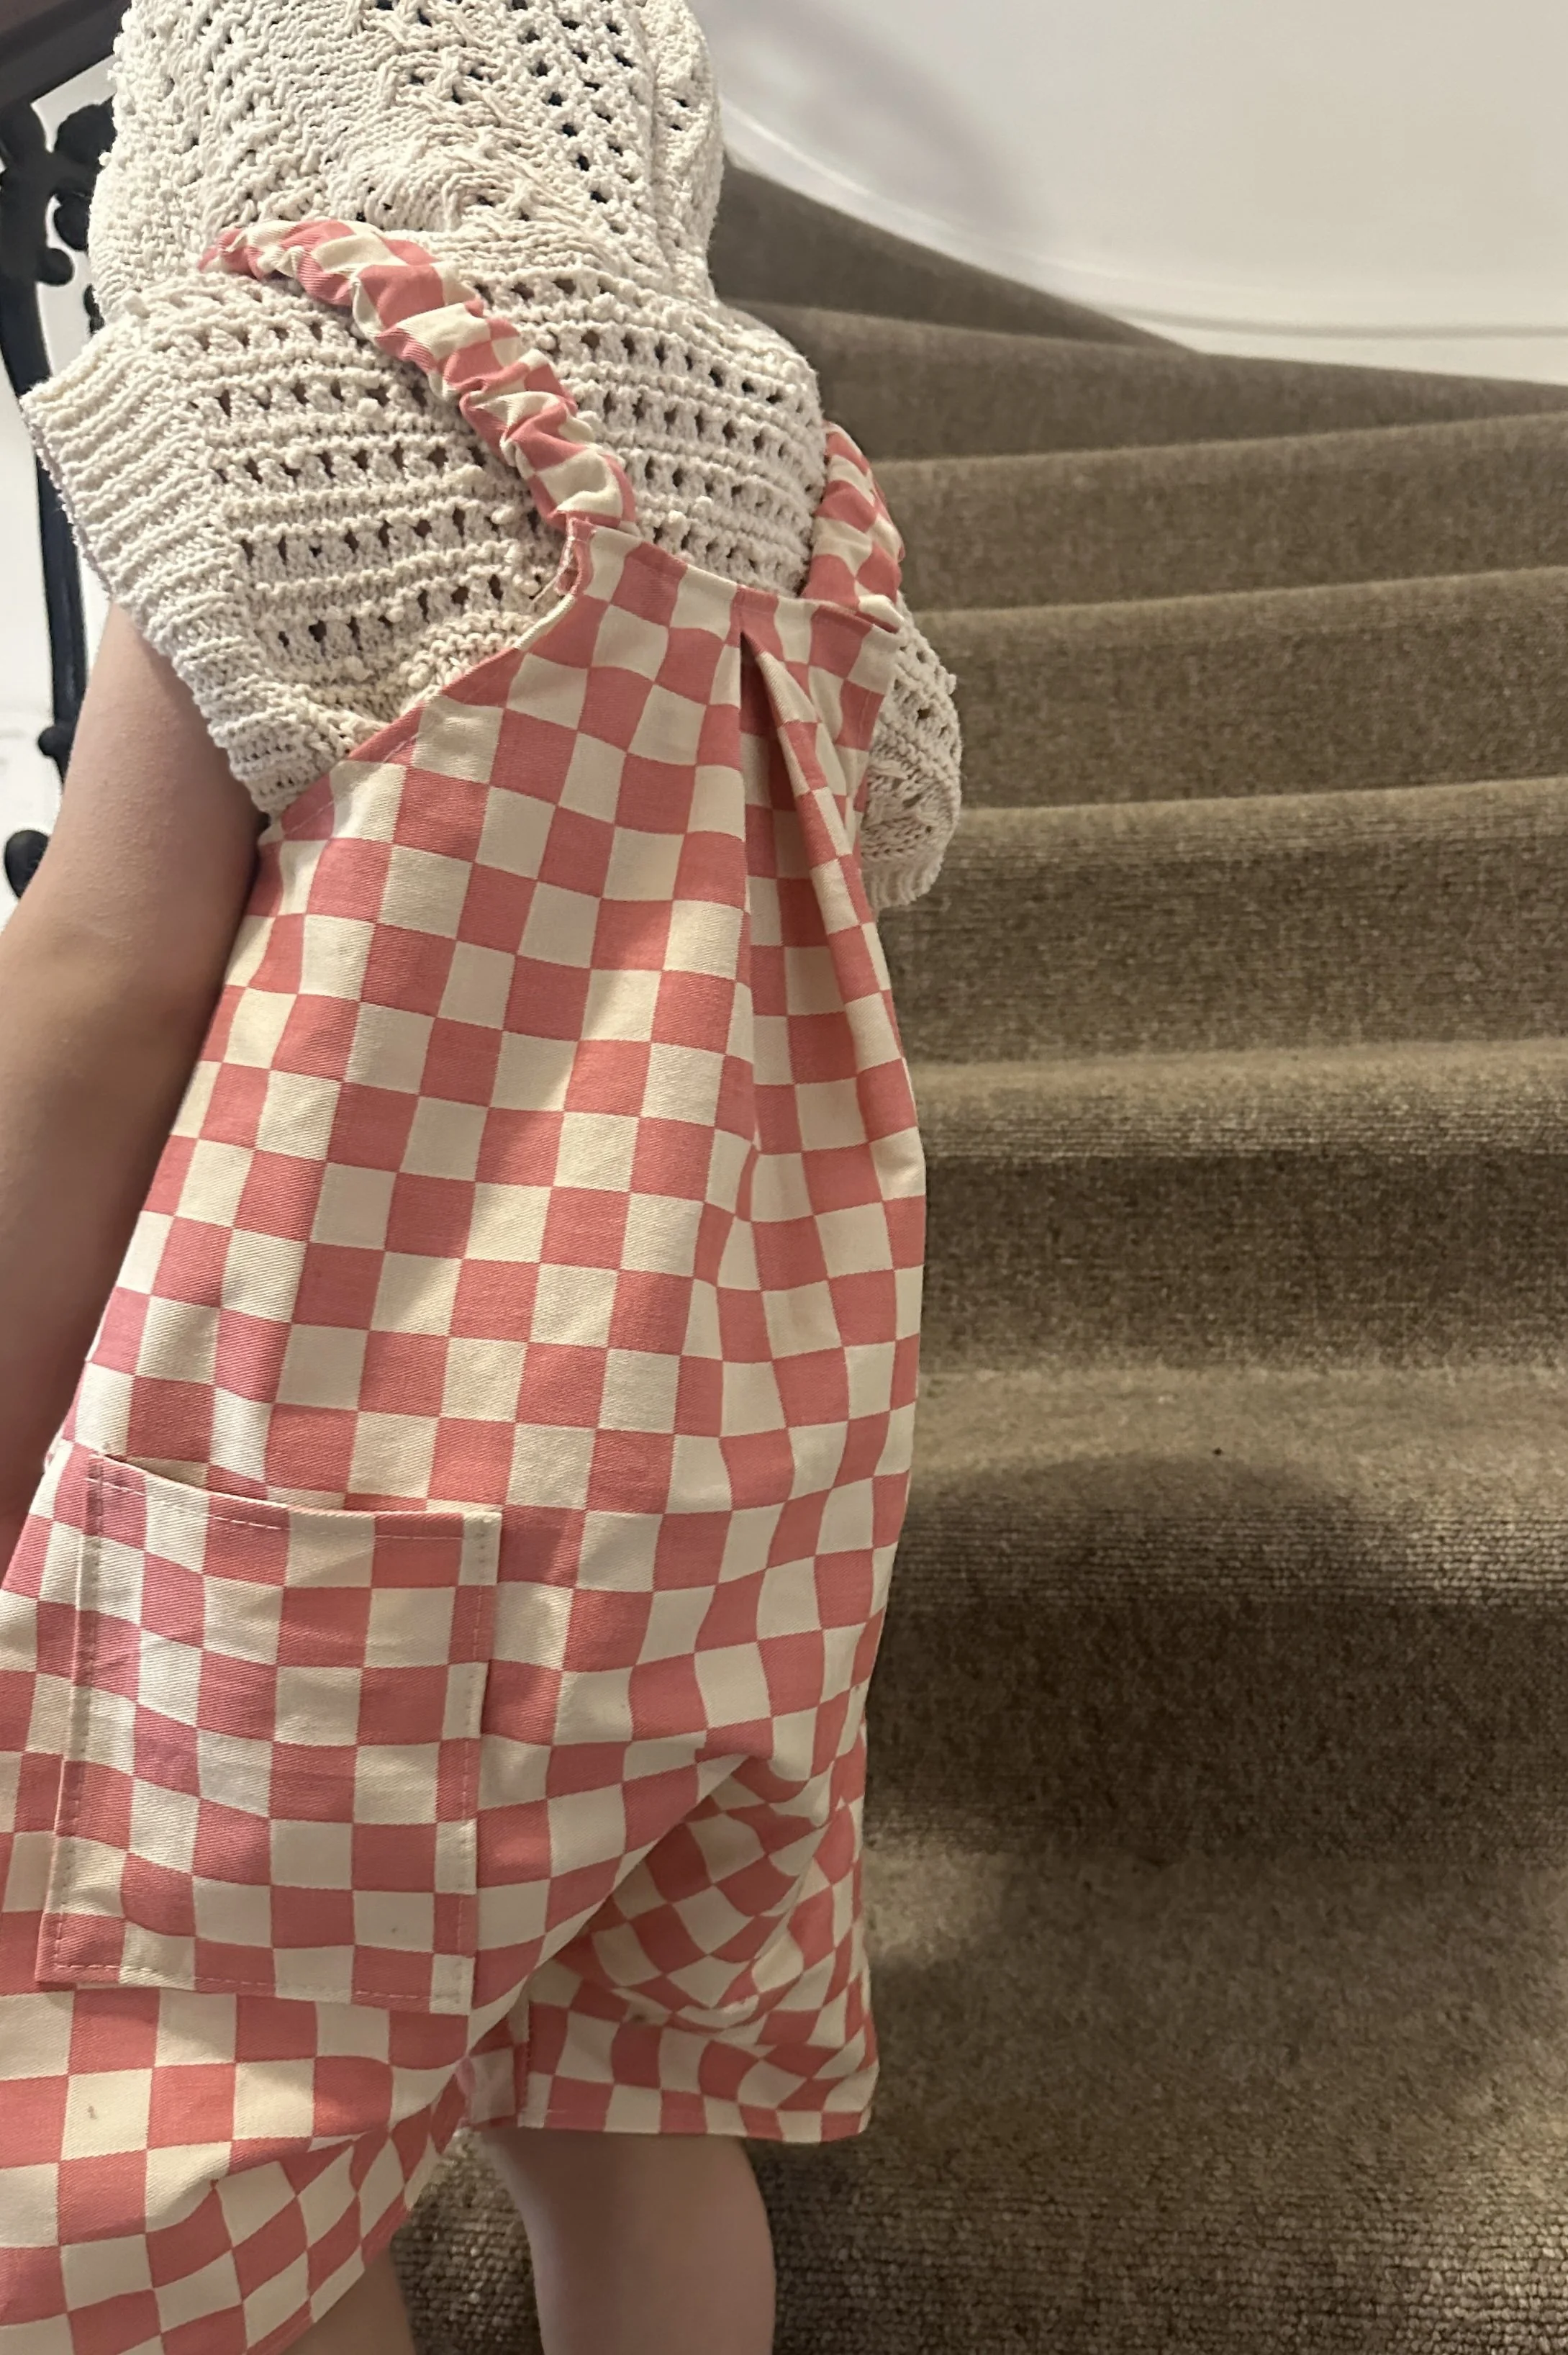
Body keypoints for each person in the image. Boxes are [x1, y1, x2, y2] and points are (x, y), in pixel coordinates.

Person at [0, 4, 961, 2350]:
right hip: (734, 1509)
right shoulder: (791, 479)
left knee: (238, 2152)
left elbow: (100, 982)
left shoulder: (267, 387)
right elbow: (902, 822)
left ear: (205, 117)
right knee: (633, 2108)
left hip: (337, 1515)